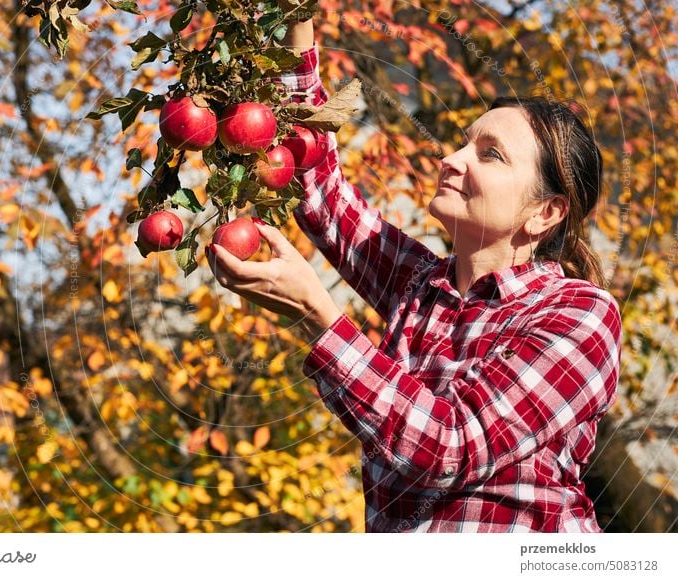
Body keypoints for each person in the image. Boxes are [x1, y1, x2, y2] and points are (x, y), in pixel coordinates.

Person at [205, 17, 622, 533]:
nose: (450, 158)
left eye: (489, 154)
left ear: (544, 213)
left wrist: (320, 318)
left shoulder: (581, 314)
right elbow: (323, 195)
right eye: (463, 142)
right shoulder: (422, 285)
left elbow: (450, 447)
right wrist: (296, 27)